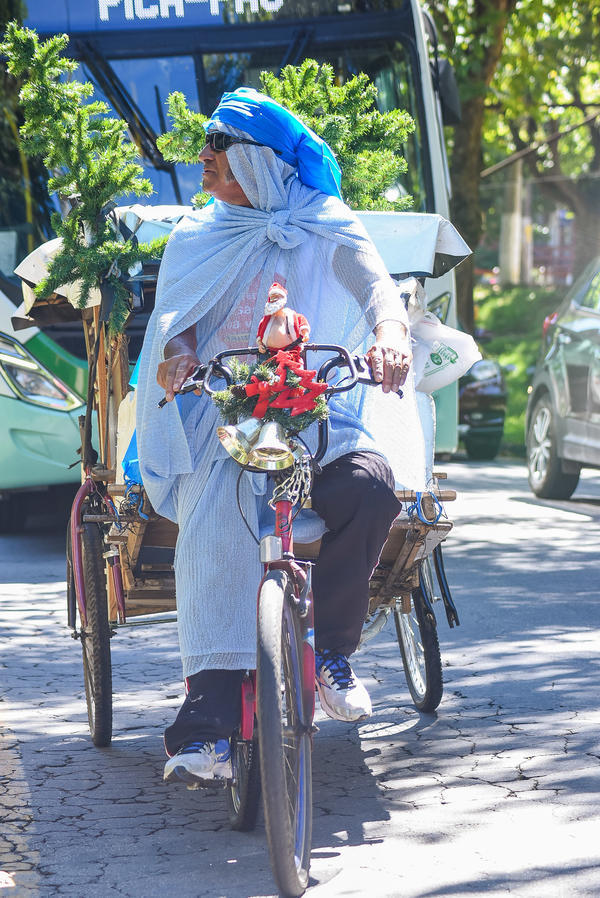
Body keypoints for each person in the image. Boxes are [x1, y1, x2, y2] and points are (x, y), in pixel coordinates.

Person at [135, 87, 426, 787]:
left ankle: (332, 658)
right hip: (226, 418)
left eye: (219, 144)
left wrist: (390, 337)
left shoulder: (325, 222)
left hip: (319, 412)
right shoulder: (197, 235)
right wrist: (178, 357)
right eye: (207, 142)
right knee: (216, 514)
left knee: (370, 488)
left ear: (261, 162)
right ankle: (206, 726)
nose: (204, 156)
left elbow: (378, 292)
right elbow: (176, 324)